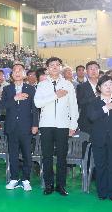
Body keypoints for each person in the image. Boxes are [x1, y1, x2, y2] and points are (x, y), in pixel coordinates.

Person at [34, 57, 79, 196]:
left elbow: (74, 106)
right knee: (46, 156)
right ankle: (48, 185)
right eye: (51, 65)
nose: (54, 67)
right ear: (47, 68)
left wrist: (73, 125)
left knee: (61, 157)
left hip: (63, 125)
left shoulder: (68, 84)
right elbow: (37, 103)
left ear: (60, 67)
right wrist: (55, 95)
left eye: (57, 65)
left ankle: (61, 185)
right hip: (46, 125)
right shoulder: (41, 85)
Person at [2, 64, 39, 191]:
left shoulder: (31, 89)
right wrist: (15, 98)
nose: (17, 72)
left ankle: (26, 179)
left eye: (20, 70)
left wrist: (35, 124)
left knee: (27, 154)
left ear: (24, 74)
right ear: (11, 75)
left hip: (26, 126)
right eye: (15, 71)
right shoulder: (7, 89)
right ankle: (14, 178)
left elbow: (35, 109)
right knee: (12, 154)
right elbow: (3, 106)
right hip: (12, 127)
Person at [76, 61, 100, 134]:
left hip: (103, 120)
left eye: (96, 68)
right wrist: (96, 96)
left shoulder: (104, 85)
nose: (93, 71)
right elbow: (80, 103)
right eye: (91, 69)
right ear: (86, 71)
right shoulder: (81, 87)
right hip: (87, 122)